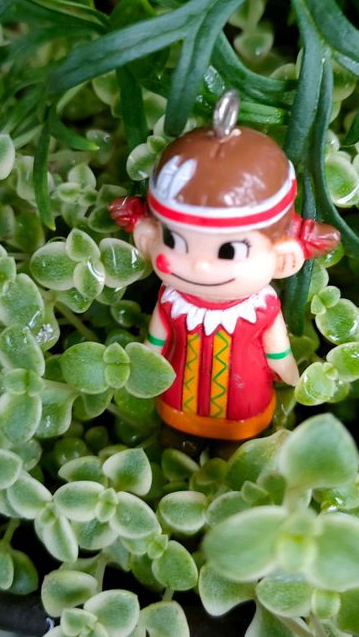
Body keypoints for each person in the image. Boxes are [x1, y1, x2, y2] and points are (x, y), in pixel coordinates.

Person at [110, 91, 339, 441]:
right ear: (149, 234)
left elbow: (275, 340)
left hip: (244, 391)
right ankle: (178, 436)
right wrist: (149, 356)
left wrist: (284, 363)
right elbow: (159, 334)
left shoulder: (258, 307)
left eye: (230, 251)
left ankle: (237, 443)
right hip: (177, 388)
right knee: (177, 423)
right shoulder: (173, 300)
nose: (200, 266)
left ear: (284, 256)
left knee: (242, 424)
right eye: (174, 241)